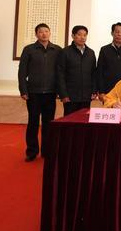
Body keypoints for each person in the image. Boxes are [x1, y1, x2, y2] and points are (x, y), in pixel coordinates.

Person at [18, 23, 61, 162]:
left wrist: (60, 91)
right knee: (33, 122)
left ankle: (47, 151)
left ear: (50, 33)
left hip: (50, 92)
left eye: (46, 31)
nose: (44, 34)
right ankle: (31, 151)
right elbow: (22, 72)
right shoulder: (29, 50)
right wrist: (23, 90)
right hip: (33, 93)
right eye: (41, 32)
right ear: (36, 34)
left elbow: (61, 73)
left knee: (49, 124)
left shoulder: (57, 50)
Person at [57, 25, 97, 116]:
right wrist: (63, 94)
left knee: (84, 120)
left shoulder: (90, 53)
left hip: (86, 95)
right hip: (70, 96)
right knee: (69, 121)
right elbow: (60, 74)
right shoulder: (65, 52)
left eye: (85, 35)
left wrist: (94, 91)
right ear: (73, 36)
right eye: (79, 34)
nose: (82, 37)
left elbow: (94, 73)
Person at [96, 22, 121, 98]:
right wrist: (101, 91)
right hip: (108, 89)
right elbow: (100, 71)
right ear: (112, 33)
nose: (119, 34)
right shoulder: (104, 50)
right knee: (109, 109)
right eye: (117, 32)